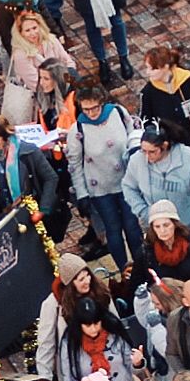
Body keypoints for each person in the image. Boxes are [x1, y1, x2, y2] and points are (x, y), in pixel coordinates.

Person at [67, 91, 141, 269]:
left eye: (95, 108)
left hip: (126, 182)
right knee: (112, 230)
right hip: (100, 189)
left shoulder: (118, 113)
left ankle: (142, 267)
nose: (92, 113)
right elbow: (75, 164)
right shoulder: (78, 129)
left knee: (132, 228)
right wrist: (82, 193)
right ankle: (125, 271)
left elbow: (134, 139)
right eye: (87, 109)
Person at [0, 116, 57, 223]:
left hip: (31, 213)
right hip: (2, 217)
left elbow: (51, 178)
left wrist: (43, 209)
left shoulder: (28, 152)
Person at [123, 120, 190, 230]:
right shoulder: (136, 160)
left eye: (152, 152)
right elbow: (128, 187)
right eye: (143, 151)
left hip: (185, 224)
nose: (147, 156)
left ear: (164, 146)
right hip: (155, 225)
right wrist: (142, 211)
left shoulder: (188, 157)